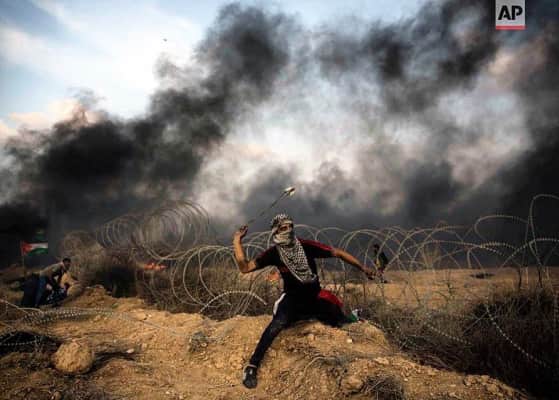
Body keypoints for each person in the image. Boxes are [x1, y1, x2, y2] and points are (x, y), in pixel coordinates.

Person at [233, 213, 375, 389]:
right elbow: (245, 267)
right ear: (276, 231)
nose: (288, 230)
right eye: (283, 228)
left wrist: (363, 268)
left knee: (340, 321)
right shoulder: (274, 253)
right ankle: (252, 366)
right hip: (292, 301)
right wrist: (237, 241)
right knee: (276, 325)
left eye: (290, 226)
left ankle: (351, 317)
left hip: (314, 299)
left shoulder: (305, 246)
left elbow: (337, 253)